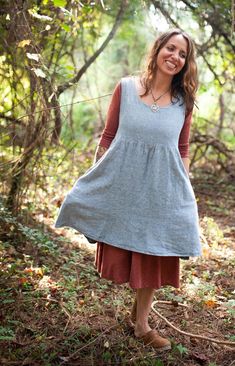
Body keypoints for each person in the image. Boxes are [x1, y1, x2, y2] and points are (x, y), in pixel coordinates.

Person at [55, 28, 201, 351]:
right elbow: (107, 139)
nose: (175, 57)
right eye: (171, 48)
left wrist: (184, 191)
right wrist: (97, 182)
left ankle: (141, 325)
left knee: (154, 251)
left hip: (161, 190)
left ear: (185, 63)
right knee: (132, 245)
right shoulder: (125, 88)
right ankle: (138, 315)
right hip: (126, 185)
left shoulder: (183, 103)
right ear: (158, 48)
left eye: (183, 54)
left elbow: (183, 148)